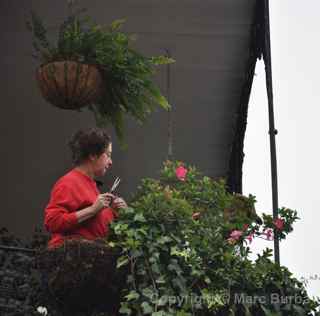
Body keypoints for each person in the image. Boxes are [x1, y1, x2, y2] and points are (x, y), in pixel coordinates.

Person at [44, 127, 127, 248]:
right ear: (93, 155)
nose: (111, 162)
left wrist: (115, 212)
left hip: (88, 259)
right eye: (108, 155)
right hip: (70, 259)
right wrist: (92, 210)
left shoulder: (91, 185)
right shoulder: (68, 182)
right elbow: (52, 222)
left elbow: (97, 228)